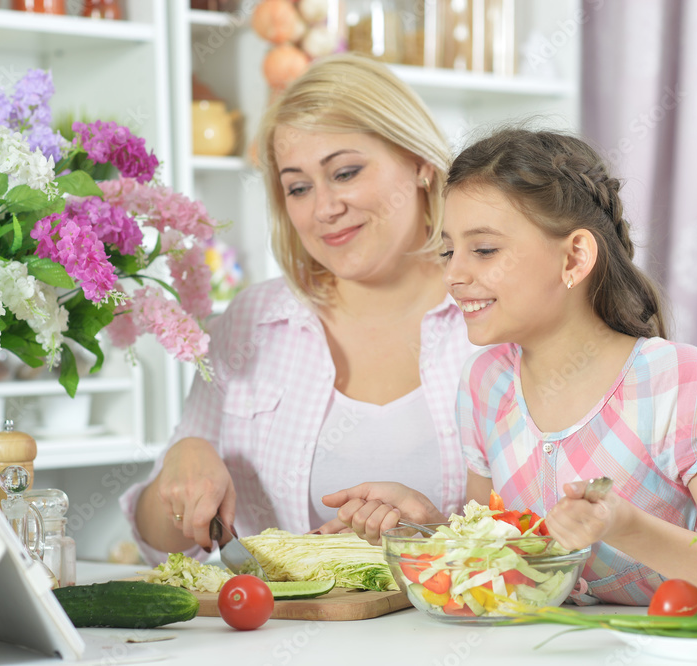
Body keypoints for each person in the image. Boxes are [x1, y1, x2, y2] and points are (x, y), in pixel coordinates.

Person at [324, 127, 697, 605]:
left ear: (575, 257)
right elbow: (501, 559)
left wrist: (624, 526)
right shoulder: (485, 383)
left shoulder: (677, 382)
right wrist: (427, 524)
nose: (453, 274)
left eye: (485, 249)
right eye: (449, 250)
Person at [120, 54, 479, 565]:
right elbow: (161, 546)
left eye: (346, 172)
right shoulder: (252, 322)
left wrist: (440, 540)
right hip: (277, 639)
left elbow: (556, 536)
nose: (324, 209)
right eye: (299, 187)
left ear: (421, 164)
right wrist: (179, 468)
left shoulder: (491, 315)